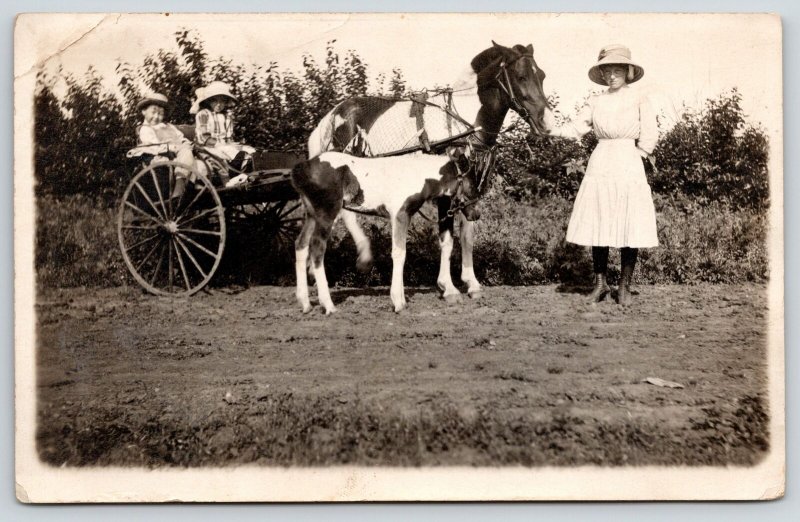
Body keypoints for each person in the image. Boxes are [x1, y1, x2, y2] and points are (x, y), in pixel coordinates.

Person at [548, 44, 659, 306]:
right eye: (607, 70)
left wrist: (638, 156)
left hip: (628, 160)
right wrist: (548, 127)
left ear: (628, 72)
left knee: (628, 221)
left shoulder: (639, 98)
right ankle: (600, 284)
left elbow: (650, 132)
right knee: (600, 220)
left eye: (617, 70)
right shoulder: (596, 100)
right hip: (601, 161)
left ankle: (624, 286)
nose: (612, 75)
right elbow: (576, 128)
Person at [131, 93, 197, 198]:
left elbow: (180, 138)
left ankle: (193, 187)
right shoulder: (146, 129)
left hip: (178, 155)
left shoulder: (169, 127)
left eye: (160, 113)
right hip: (163, 157)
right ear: (144, 111)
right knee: (186, 153)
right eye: (153, 112)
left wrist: (185, 143)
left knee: (195, 160)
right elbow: (153, 146)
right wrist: (176, 147)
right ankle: (179, 188)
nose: (156, 116)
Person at [190, 81, 256, 185]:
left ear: (226, 103)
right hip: (207, 147)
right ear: (209, 101)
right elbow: (204, 137)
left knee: (250, 151)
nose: (219, 105)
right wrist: (221, 145)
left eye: (222, 101)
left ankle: (246, 176)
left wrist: (234, 145)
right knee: (235, 153)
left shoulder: (227, 117)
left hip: (224, 145)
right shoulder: (203, 114)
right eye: (215, 101)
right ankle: (231, 178)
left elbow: (228, 138)